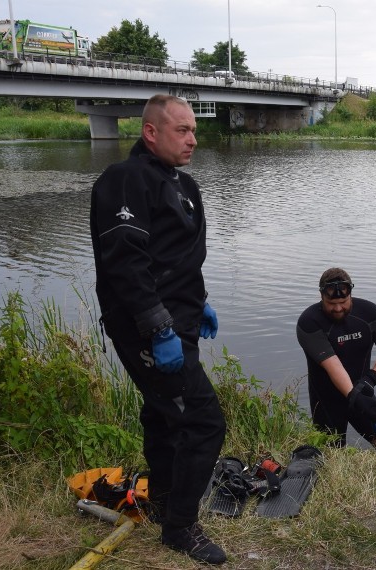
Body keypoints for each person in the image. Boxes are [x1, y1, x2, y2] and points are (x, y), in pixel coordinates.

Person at [90, 94, 227, 565]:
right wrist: (157, 327)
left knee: (164, 414)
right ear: (151, 132)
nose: (193, 139)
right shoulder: (123, 180)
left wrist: (201, 303)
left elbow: (182, 258)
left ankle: (168, 502)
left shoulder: (185, 184)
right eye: (182, 130)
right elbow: (126, 261)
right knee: (203, 419)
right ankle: (181, 527)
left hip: (182, 322)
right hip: (147, 328)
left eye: (194, 130)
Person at [297, 268, 376, 449]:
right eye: (331, 303)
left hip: (362, 393)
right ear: (321, 295)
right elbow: (333, 365)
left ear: (350, 294)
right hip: (327, 402)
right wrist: (354, 395)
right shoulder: (309, 321)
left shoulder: (370, 313)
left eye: (343, 302)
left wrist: (370, 379)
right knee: (330, 461)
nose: (338, 308)